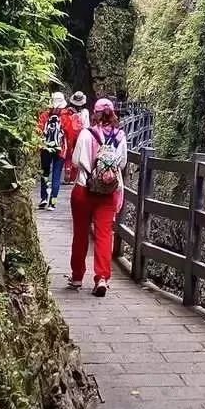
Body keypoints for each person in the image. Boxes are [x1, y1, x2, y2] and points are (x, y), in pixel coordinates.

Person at [68, 97, 127, 297]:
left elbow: (76, 161)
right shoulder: (120, 136)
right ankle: (102, 277)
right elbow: (123, 163)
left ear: (95, 113)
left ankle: (77, 276)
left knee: (80, 233)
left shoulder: (86, 134)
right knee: (104, 235)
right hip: (108, 192)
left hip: (84, 189)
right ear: (113, 114)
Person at [37, 92, 68, 210]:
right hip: (60, 150)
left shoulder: (44, 116)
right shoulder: (65, 117)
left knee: (45, 173)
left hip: (46, 148)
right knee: (56, 176)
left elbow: (39, 130)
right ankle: (53, 202)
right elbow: (70, 134)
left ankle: (43, 198)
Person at [62, 91, 89, 183]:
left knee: (69, 154)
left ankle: (67, 171)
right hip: (81, 135)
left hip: (69, 134)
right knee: (78, 153)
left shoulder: (69, 111)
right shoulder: (85, 112)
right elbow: (86, 125)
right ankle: (74, 176)